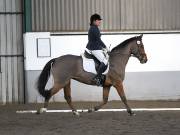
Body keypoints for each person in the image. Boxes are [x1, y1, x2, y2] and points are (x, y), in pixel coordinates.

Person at [86, 13, 109, 86]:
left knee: (106, 57)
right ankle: (97, 78)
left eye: (99, 20)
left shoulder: (94, 28)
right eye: (98, 20)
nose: (100, 22)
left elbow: (97, 40)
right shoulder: (94, 28)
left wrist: (102, 48)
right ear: (94, 21)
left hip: (96, 47)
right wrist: (105, 47)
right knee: (105, 61)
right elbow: (98, 40)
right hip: (94, 48)